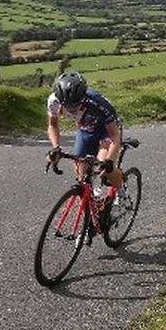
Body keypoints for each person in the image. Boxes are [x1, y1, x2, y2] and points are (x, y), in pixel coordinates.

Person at [45, 72, 128, 227]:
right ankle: (94, 201)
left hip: (106, 130)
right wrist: (56, 148)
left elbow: (115, 134)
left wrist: (109, 161)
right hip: (86, 129)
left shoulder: (97, 102)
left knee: (101, 166)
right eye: (68, 105)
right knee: (80, 171)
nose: (72, 109)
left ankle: (122, 192)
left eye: (76, 104)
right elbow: (52, 125)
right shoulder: (54, 101)